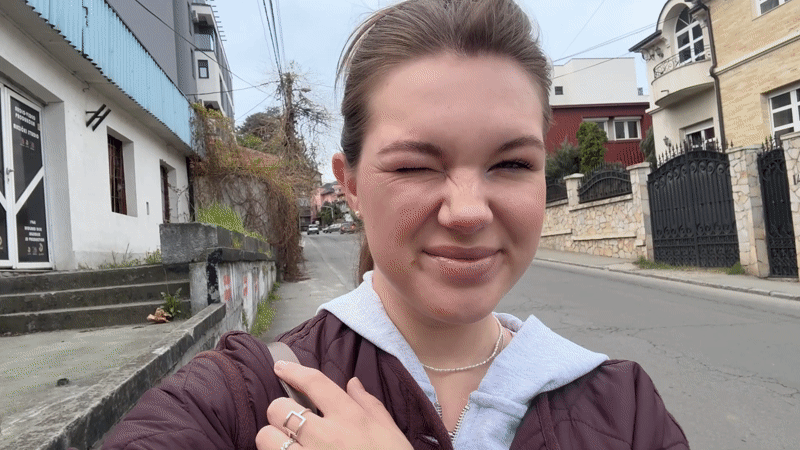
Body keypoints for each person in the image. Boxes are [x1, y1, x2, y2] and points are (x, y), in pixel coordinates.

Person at [103, 1, 689, 449]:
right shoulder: (248, 393)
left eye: (511, 164)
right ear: (351, 184)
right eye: (415, 166)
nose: (467, 211)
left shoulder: (627, 411)